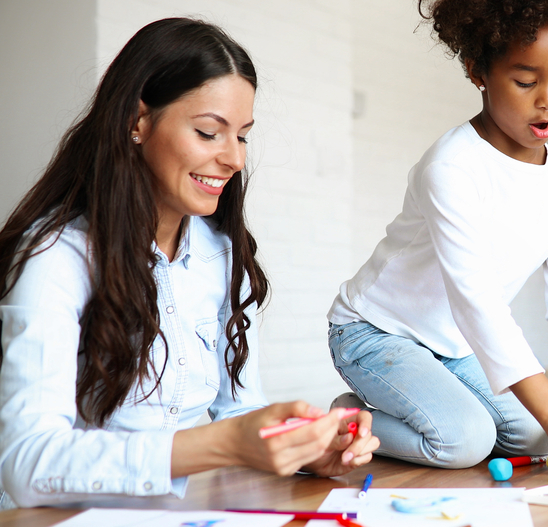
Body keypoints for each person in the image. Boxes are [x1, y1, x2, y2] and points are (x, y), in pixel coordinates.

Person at [0, 18, 378, 509]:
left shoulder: (222, 254)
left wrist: (306, 448)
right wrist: (222, 444)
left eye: (241, 136)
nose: (234, 159)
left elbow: (238, 411)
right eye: (208, 132)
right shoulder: (56, 259)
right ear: (137, 121)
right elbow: (27, 463)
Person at [327, 0, 548, 472]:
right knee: (465, 442)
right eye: (526, 81)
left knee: (536, 436)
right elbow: (478, 303)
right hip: (376, 332)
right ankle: (346, 419)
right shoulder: (452, 167)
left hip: (454, 345)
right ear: (479, 72)